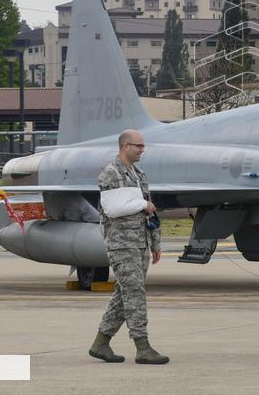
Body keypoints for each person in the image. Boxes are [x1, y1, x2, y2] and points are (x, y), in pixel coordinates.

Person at [88, 129, 169, 365]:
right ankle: (142, 346)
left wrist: (155, 242)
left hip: (140, 242)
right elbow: (114, 208)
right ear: (125, 146)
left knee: (124, 296)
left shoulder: (139, 174)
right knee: (134, 294)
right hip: (122, 244)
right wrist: (142, 204)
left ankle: (101, 343)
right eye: (138, 146)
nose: (142, 150)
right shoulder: (110, 174)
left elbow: (149, 211)